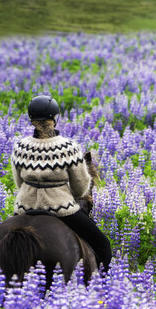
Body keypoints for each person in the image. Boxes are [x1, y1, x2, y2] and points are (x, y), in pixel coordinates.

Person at [11, 94, 113, 271]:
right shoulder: (68, 147)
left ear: (31, 120)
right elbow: (81, 187)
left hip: (24, 208)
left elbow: (19, 182)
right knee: (102, 244)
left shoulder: (20, 147)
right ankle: (101, 288)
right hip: (61, 209)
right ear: (54, 119)